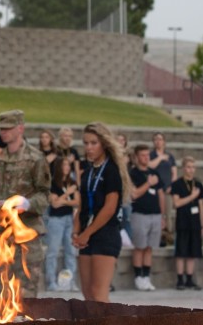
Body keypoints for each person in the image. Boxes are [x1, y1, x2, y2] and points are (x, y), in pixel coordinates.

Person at [0, 109, 51, 298]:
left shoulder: (35, 159)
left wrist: (28, 203)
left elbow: (45, 195)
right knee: (2, 290)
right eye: (2, 128)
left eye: (8, 128)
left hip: (27, 233)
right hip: (4, 234)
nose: (4, 132)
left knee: (26, 290)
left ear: (20, 129)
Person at [73, 122, 130, 303]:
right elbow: (82, 206)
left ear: (104, 144)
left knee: (99, 295)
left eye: (93, 143)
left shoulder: (111, 170)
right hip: (87, 235)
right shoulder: (88, 171)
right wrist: (76, 232)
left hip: (105, 234)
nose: (88, 148)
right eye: (86, 143)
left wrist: (86, 233)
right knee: (88, 294)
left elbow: (110, 208)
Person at [128, 144, 165, 291]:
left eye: (147, 155)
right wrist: (148, 183)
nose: (146, 158)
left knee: (150, 247)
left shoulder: (154, 172)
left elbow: (161, 194)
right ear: (136, 157)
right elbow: (134, 194)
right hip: (140, 214)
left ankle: (146, 276)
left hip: (155, 214)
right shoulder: (133, 173)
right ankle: (138, 277)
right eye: (143, 155)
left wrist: (163, 215)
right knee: (139, 247)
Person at [45, 157, 80, 291]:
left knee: (70, 251)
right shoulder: (53, 183)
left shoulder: (72, 182)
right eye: (64, 164)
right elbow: (54, 203)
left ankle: (70, 281)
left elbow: (77, 202)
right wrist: (67, 193)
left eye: (68, 164)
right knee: (52, 251)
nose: (67, 167)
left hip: (69, 219)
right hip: (56, 220)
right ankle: (51, 282)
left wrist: (63, 200)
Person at [171, 156, 203, 290]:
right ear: (183, 168)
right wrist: (191, 197)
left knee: (193, 251)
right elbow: (176, 203)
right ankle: (180, 278)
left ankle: (189, 279)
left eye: (193, 167)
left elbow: (201, 205)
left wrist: (202, 224)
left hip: (195, 222)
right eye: (188, 167)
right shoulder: (178, 184)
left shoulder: (198, 184)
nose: (190, 170)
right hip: (183, 221)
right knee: (181, 251)